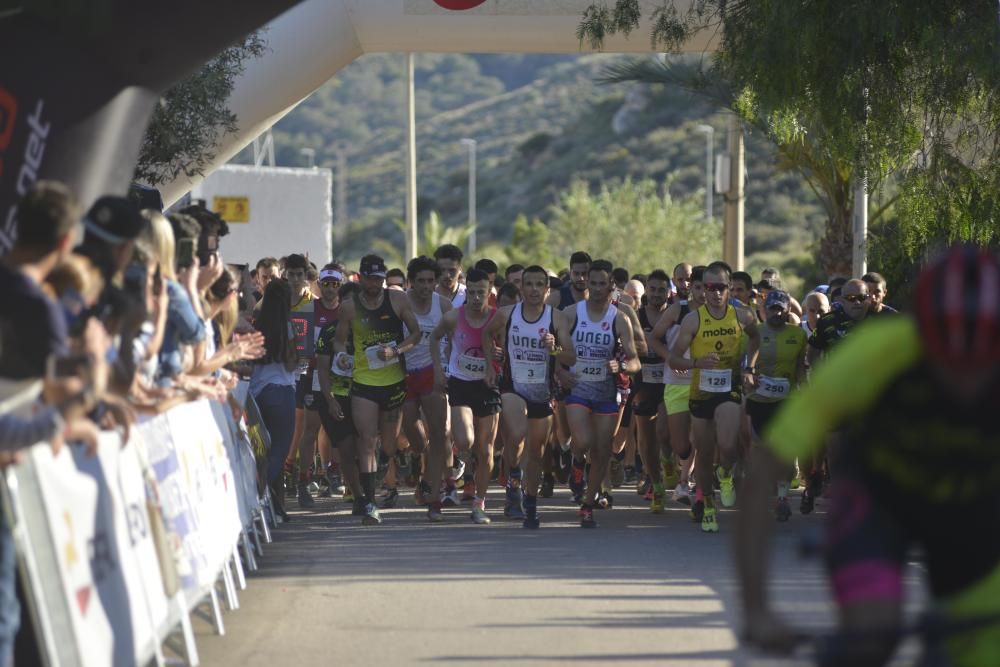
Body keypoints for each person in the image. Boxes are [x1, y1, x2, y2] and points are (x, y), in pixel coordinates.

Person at [736, 245, 1000, 667]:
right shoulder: (875, 353)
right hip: (879, 498)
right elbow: (763, 473)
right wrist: (756, 609)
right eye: (945, 361)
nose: (963, 382)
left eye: (980, 364)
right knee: (868, 637)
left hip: (973, 507)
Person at [482, 265, 575, 528]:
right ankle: (513, 474)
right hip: (513, 387)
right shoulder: (506, 314)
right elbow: (486, 335)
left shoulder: (556, 319)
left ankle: (530, 503)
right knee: (517, 432)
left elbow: (571, 355)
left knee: (536, 451)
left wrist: (554, 348)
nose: (533, 289)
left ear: (547, 290)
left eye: (538, 285)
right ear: (521, 288)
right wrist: (491, 364)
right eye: (528, 284)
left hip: (542, 392)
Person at [669, 262, 759, 533]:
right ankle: (708, 505)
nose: (715, 293)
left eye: (720, 287)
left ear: (729, 288)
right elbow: (674, 358)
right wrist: (696, 363)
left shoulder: (742, 316)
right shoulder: (693, 319)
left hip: (729, 390)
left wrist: (749, 367)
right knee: (705, 454)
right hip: (701, 393)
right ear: (703, 290)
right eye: (709, 288)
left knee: (729, 444)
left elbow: (757, 339)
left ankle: (726, 473)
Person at [333, 254, 422, 525]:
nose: (375, 284)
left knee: (389, 445)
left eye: (379, 279)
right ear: (360, 278)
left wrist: (396, 349)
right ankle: (370, 502)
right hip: (364, 383)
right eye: (371, 279)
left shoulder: (398, 300)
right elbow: (338, 341)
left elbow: (416, 334)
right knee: (367, 441)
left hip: (394, 383)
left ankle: (389, 461)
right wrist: (342, 357)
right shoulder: (348, 307)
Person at [562, 260, 641, 528]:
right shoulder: (572, 313)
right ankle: (575, 461)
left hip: (606, 392)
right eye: (591, 282)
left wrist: (622, 366)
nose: (595, 288)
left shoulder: (619, 319)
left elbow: (635, 361)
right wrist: (559, 372)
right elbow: (555, 352)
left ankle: (587, 504)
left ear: (611, 286)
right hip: (578, 388)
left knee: (602, 449)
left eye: (600, 283)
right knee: (582, 441)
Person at [429, 268, 501, 524]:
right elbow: (434, 338)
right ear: (465, 290)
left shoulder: (497, 317)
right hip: (460, 384)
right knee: (465, 439)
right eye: (471, 292)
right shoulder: (453, 317)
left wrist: (499, 360)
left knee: (486, 449)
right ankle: (459, 466)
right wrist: (439, 369)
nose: (476, 297)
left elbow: (507, 346)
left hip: (488, 387)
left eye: (481, 292)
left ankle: (479, 503)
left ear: (489, 291)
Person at [744, 290, 807, 521]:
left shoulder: (798, 335)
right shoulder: (754, 334)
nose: (777, 313)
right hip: (758, 400)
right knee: (760, 448)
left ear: (788, 310)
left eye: (781, 308)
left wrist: (804, 387)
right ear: (764, 310)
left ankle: (781, 497)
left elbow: (800, 366)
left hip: (786, 400)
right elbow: (743, 365)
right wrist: (747, 377)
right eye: (773, 308)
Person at [400, 256, 452, 519]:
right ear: (411, 282)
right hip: (404, 373)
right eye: (420, 281)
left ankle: (434, 496)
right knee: (414, 432)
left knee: (439, 434)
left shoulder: (443, 305)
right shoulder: (400, 301)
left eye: (431, 281)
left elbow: (455, 340)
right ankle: (415, 456)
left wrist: (448, 370)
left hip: (433, 372)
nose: (426, 286)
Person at [249, 279, 299, 522]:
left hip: (257, 394)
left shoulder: (257, 326)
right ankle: (256, 500)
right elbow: (291, 363)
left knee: (261, 453)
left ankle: (274, 507)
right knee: (278, 452)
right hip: (282, 392)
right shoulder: (287, 327)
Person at [650, 263, 698, 505]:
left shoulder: (719, 313)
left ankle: (685, 483)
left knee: (699, 435)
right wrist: (670, 358)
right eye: (693, 285)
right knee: (680, 444)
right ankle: (682, 469)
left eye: (699, 285)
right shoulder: (676, 310)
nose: (694, 289)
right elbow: (654, 339)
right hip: (676, 383)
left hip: (704, 384)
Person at [631, 269, 670, 512]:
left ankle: (670, 467)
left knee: (666, 433)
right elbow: (626, 345)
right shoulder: (637, 316)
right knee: (645, 440)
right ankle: (656, 484)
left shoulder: (676, 317)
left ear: (669, 292)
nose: (657, 294)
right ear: (647, 292)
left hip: (670, 383)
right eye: (653, 289)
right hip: (643, 382)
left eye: (661, 290)